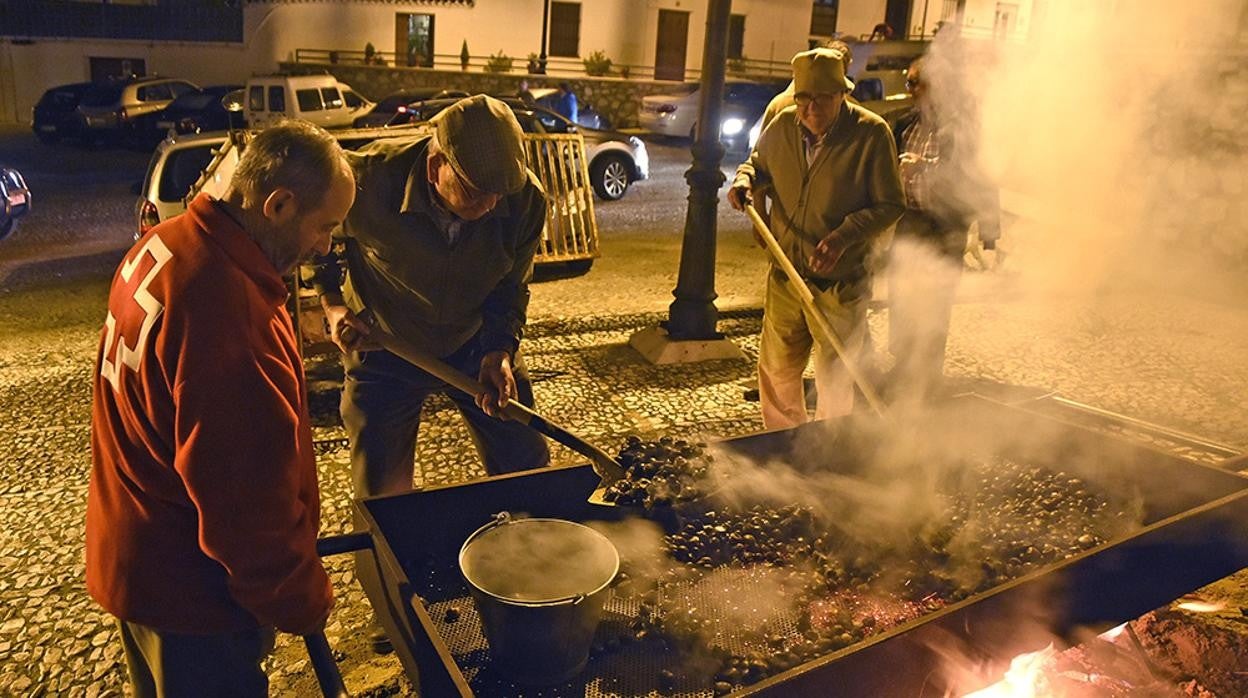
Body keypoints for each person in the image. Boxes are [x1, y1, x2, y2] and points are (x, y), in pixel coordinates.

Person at [87, 121, 355, 696]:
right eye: (325, 227)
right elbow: (244, 503)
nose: (327, 247)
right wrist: (299, 597)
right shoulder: (226, 312)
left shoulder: (167, 243)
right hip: (192, 595)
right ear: (279, 204)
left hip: (139, 559)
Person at [311, 94, 551, 503]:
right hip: (386, 345)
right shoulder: (366, 180)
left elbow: (511, 287)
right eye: (477, 192)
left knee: (527, 469)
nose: (492, 205)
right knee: (383, 500)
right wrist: (333, 304)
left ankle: (526, 549)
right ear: (435, 166)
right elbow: (316, 241)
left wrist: (499, 350)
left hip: (474, 343)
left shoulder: (524, 199)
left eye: (500, 194)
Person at [728, 48, 904, 428]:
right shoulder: (784, 125)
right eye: (803, 98)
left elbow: (890, 204)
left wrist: (843, 237)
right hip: (786, 273)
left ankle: (831, 448)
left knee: (836, 374)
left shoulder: (871, 134)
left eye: (821, 99)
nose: (810, 109)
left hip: (840, 282)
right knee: (777, 368)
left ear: (842, 95)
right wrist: (745, 181)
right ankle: (783, 441)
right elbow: (757, 163)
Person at [886, 56, 1000, 401]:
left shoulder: (961, 127)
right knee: (902, 298)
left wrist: (991, 233)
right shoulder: (906, 124)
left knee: (934, 304)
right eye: (908, 83)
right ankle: (903, 366)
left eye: (914, 84)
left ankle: (927, 376)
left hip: (944, 228)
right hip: (910, 222)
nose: (909, 91)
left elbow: (976, 175)